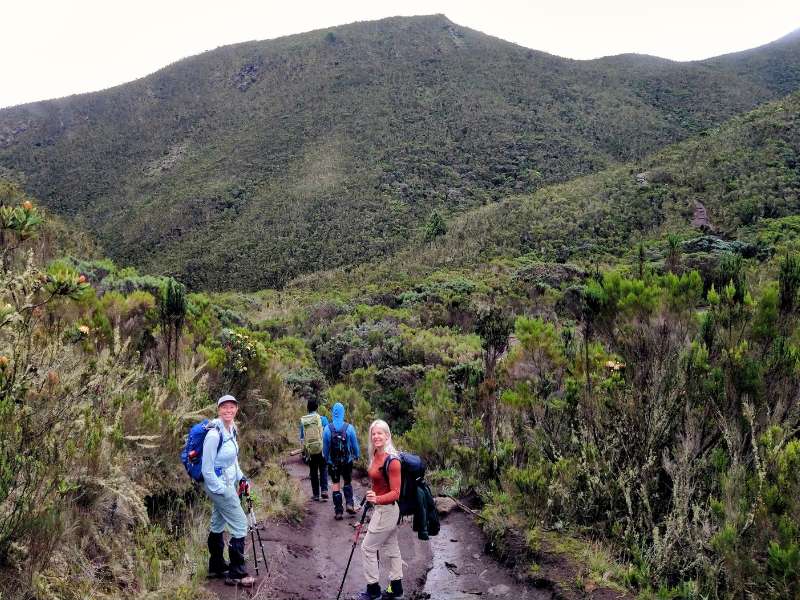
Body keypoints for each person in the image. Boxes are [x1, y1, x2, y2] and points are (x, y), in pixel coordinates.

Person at [201, 394, 255, 587]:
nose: (228, 410)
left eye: (232, 407)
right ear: (218, 409)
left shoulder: (231, 429)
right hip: (220, 486)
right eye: (224, 407)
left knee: (217, 523)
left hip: (228, 483)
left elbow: (233, 461)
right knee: (240, 524)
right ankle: (237, 573)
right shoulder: (214, 435)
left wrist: (241, 478)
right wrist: (222, 490)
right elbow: (206, 469)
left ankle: (216, 567)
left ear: (236, 409)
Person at [357, 419, 404, 600]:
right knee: (392, 548)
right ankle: (396, 588)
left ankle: (373, 589)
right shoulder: (376, 454)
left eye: (380, 433)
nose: (376, 436)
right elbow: (378, 481)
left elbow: (396, 493)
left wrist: (376, 498)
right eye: (373, 433)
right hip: (381, 509)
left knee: (367, 548)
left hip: (387, 510)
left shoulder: (393, 462)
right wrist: (373, 495)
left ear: (387, 436)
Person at [322, 402, 360, 520]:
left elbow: (325, 449)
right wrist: (356, 455)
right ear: (343, 413)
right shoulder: (349, 428)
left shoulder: (327, 429)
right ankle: (349, 503)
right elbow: (355, 446)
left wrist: (327, 459)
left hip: (333, 463)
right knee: (347, 482)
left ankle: (338, 511)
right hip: (347, 462)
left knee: (336, 484)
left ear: (333, 413)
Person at [299, 397, 329, 501]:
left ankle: (316, 495)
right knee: (323, 468)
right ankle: (324, 490)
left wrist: (304, 453)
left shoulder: (304, 421)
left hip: (310, 450)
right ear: (317, 407)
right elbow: (327, 434)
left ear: (308, 408)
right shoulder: (323, 419)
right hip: (322, 449)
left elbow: (302, 438)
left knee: (313, 471)